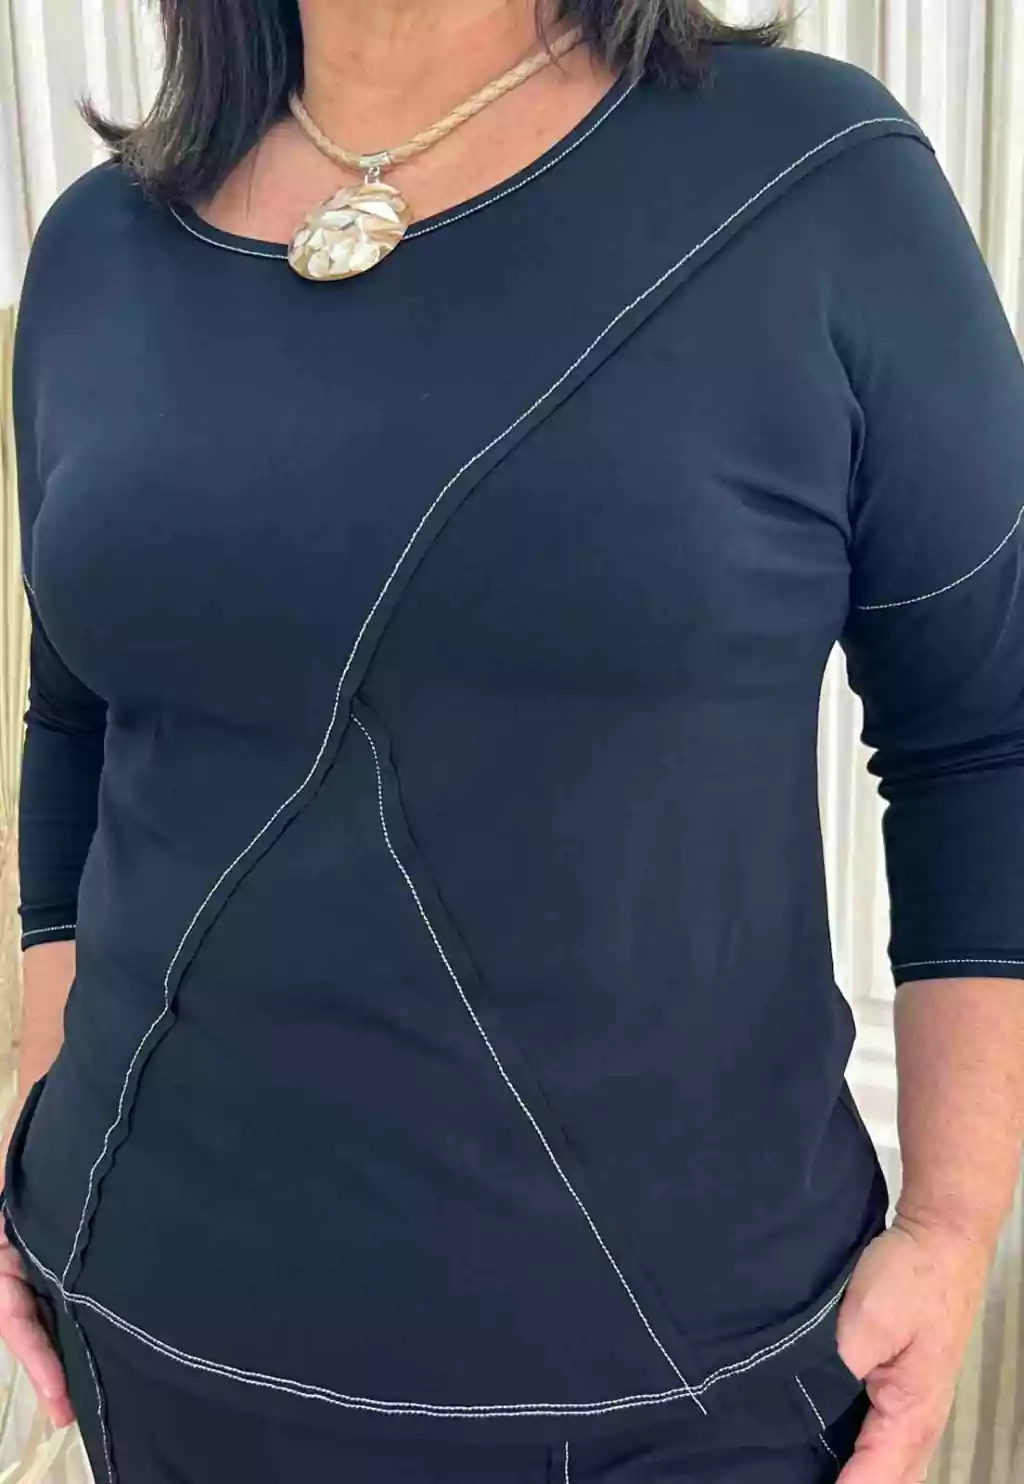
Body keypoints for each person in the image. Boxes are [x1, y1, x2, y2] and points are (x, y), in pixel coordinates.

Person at [2, 0, 1023, 1479]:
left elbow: (984, 734)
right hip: (147, 1342)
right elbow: (77, 717)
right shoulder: (100, 246)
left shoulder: (817, 180)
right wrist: (40, 1104)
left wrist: (953, 1220)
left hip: (676, 1393)